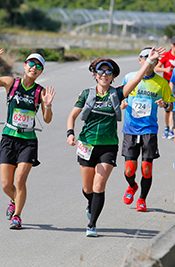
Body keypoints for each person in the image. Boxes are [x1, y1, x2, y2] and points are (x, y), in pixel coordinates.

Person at [66, 47, 165, 237]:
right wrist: (70, 133)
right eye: (100, 72)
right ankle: (90, 203)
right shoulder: (86, 94)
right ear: (95, 75)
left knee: (99, 186)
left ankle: (92, 224)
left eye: (108, 72)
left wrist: (149, 61)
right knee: (88, 188)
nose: (104, 75)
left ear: (112, 77)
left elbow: (136, 80)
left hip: (108, 146)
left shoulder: (118, 93)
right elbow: (72, 115)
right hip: (86, 144)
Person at [0, 48, 56, 230]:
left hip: (28, 140)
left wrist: (48, 105)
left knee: (20, 180)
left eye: (39, 66)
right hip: (9, 137)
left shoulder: (41, 91)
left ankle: (17, 216)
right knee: (7, 185)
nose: (34, 67)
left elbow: (47, 119)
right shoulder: (11, 83)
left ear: (41, 71)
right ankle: (14, 199)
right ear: (24, 65)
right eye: (31, 63)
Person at [121, 47, 175, 212]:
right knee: (129, 168)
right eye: (146, 58)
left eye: (153, 59)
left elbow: (170, 105)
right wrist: (123, 103)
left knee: (146, 167)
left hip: (149, 129)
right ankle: (132, 186)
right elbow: (121, 96)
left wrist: (165, 104)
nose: (150, 62)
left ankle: (142, 199)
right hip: (130, 128)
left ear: (157, 62)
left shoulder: (162, 83)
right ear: (140, 60)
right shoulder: (130, 77)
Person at [155, 36, 175, 140]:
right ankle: (166, 127)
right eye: (174, 44)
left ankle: (171, 129)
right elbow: (157, 68)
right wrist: (166, 69)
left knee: (173, 106)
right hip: (166, 83)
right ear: (171, 44)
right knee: (167, 107)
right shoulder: (166, 55)